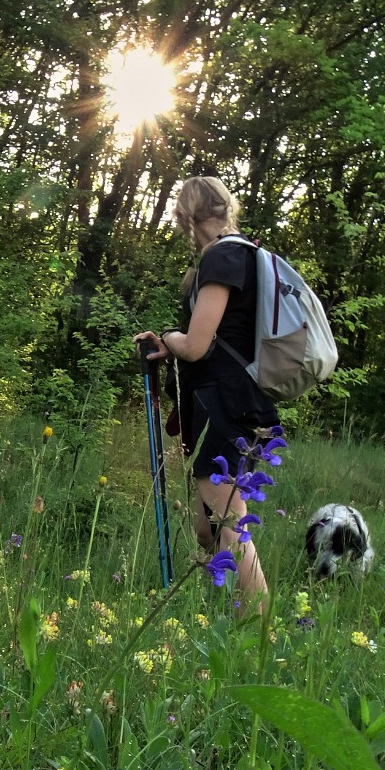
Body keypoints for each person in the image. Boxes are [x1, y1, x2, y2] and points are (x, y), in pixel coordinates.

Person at [134, 176, 279, 603]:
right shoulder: (246, 254)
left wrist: (171, 336)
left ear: (186, 215)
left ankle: (257, 634)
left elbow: (196, 345)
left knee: (229, 526)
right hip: (233, 400)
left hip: (226, 404)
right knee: (208, 528)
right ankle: (241, 615)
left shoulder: (224, 257)